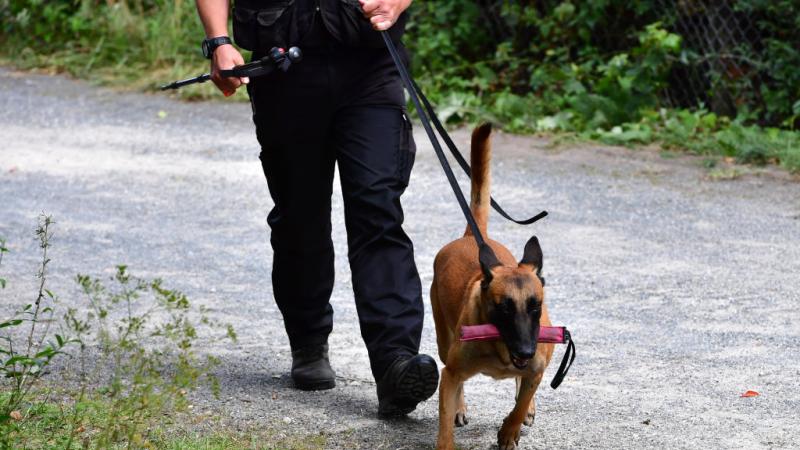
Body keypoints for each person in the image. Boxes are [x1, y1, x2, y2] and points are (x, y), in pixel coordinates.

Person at [194, 0, 439, 417]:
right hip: (285, 70)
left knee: (378, 208)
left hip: (370, 66)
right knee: (299, 216)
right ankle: (308, 341)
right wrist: (218, 41)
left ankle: (395, 363)